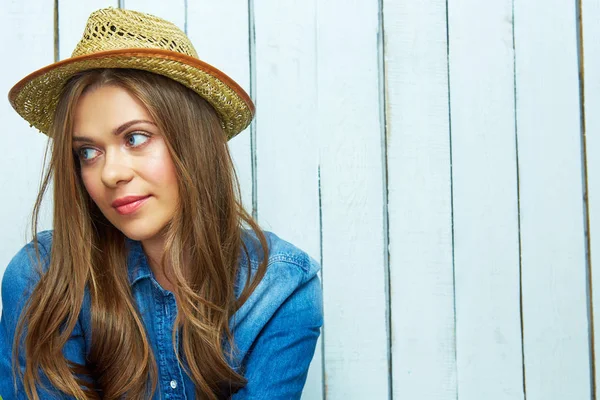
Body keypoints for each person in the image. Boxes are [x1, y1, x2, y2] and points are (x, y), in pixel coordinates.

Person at [0, 7, 323, 400]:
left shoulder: (280, 287)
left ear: (193, 141)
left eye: (135, 138)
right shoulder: (43, 276)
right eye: (87, 152)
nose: (110, 174)